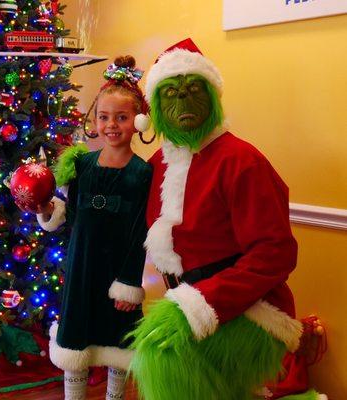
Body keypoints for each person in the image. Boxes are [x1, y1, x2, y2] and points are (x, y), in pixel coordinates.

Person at [128, 39, 327, 400]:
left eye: (193, 91)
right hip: (193, 301)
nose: (183, 103)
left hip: (254, 311)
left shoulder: (242, 161)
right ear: (156, 107)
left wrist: (199, 305)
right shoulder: (159, 163)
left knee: (162, 355)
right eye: (171, 93)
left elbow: (275, 253)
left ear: (212, 96)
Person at [36, 56, 153, 400]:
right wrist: (46, 209)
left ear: (139, 121)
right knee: (76, 341)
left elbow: (140, 233)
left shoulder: (141, 174)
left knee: (118, 342)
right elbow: (67, 215)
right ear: (94, 120)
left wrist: (129, 283)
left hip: (117, 275)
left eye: (122, 117)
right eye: (104, 117)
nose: (111, 125)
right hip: (81, 270)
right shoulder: (81, 165)